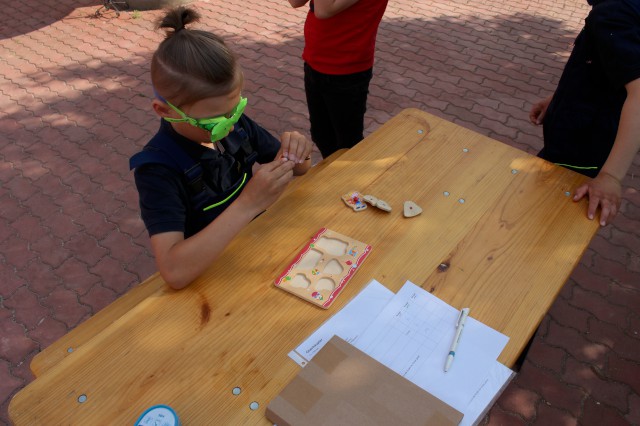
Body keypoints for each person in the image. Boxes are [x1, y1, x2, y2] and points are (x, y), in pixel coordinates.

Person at [130, 7, 313, 289]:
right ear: (164, 110)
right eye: (215, 122)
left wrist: (298, 153)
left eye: (236, 108)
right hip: (212, 280)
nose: (229, 125)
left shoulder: (235, 125)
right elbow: (174, 271)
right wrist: (248, 204)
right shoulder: (157, 169)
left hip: (257, 254)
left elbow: (300, 169)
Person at [529, 0, 640, 226]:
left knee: (543, 221)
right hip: (584, 131)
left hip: (581, 149)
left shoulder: (614, 12)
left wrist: (610, 176)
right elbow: (601, 66)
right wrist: (558, 97)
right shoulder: (614, 8)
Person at [288, 0, 388, 158]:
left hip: (346, 71)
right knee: (322, 136)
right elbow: (295, 2)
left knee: (347, 145)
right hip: (315, 60)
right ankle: (335, 176)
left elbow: (323, 10)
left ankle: (348, 179)